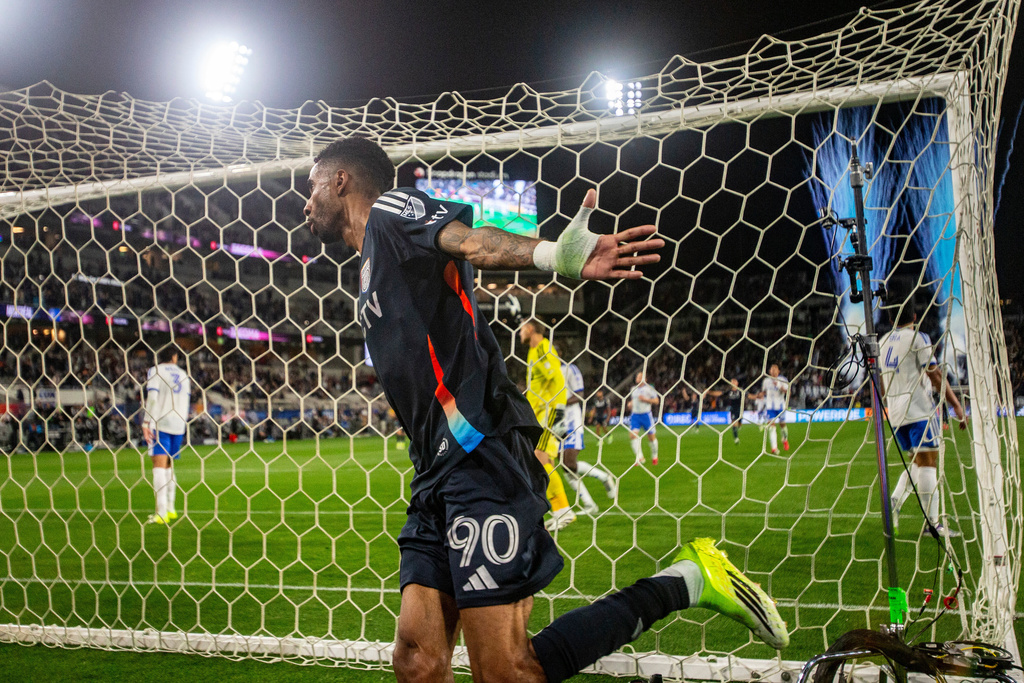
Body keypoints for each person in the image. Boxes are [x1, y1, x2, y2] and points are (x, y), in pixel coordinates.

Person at [302, 137, 788, 683]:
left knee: (505, 672)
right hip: (434, 468)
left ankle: (686, 581)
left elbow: (473, 242)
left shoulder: (392, 211)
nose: (305, 202)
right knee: (417, 661)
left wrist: (556, 255)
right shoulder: (371, 260)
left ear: (341, 180)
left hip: (478, 451)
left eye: (312, 185)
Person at [880, 300, 967, 538]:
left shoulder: (882, 342)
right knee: (928, 463)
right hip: (918, 409)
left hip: (896, 414)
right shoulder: (919, 338)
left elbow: (881, 383)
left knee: (918, 464)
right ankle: (933, 524)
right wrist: (956, 404)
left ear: (890, 319)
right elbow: (935, 375)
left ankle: (895, 501)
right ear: (915, 317)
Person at [519, 319, 576, 531]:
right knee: (543, 461)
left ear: (531, 328)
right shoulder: (533, 351)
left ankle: (563, 511)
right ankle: (560, 510)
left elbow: (557, 380)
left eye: (522, 328)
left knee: (539, 458)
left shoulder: (543, 348)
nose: (519, 333)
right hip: (539, 413)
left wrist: (558, 412)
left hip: (549, 412)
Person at [560, 359, 616, 515]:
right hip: (555, 423)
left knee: (569, 462)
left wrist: (558, 403)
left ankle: (604, 478)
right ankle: (590, 504)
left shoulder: (570, 369)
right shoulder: (544, 370)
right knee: (566, 467)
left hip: (571, 422)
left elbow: (579, 395)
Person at [143, 345, 191, 525]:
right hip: (179, 424)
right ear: (174, 357)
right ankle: (171, 508)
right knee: (169, 466)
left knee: (159, 466)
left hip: (160, 423)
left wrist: (146, 422)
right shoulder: (184, 374)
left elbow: (152, 397)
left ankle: (161, 512)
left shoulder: (156, 370)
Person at [628, 372, 660, 465]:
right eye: (637, 376)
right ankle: (640, 458)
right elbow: (634, 400)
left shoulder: (650, 388)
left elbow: (656, 401)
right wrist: (630, 404)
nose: (638, 378)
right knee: (633, 436)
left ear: (645, 379)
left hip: (646, 415)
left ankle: (654, 456)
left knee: (651, 438)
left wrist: (646, 400)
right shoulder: (633, 389)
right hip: (635, 415)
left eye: (641, 377)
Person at [756, 364, 789, 454]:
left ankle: (785, 440)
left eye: (775, 369)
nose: (773, 371)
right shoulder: (766, 381)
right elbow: (764, 392)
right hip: (770, 406)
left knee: (782, 425)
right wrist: (760, 395)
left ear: (778, 371)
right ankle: (774, 448)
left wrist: (779, 386)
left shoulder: (783, 380)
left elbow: (787, 392)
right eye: (772, 369)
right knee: (771, 427)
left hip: (780, 406)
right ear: (769, 371)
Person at [710, 378, 746, 444]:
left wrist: (757, 396)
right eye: (732, 382)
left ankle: (740, 423)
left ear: (737, 383)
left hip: (740, 409)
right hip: (733, 409)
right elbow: (720, 393)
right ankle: (736, 438)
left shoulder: (741, 391)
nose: (733, 383)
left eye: (734, 381)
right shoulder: (729, 391)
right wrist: (710, 392)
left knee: (739, 423)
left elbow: (749, 396)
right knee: (734, 422)